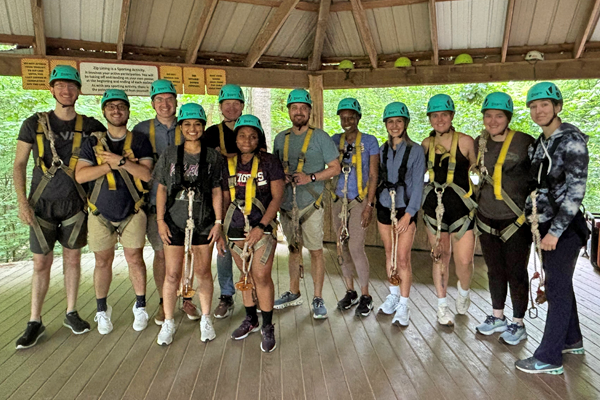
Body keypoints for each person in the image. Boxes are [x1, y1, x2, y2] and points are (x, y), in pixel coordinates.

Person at [13, 65, 105, 349]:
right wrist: (22, 202)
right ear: (51, 89)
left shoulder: (91, 126)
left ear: (79, 90)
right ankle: (34, 320)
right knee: (41, 263)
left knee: (73, 259)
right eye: (61, 86)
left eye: (72, 86)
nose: (66, 91)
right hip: (41, 205)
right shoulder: (34, 124)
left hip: (75, 204)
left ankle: (71, 312)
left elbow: (107, 153)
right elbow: (19, 164)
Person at [515, 82, 589, 375]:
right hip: (545, 224)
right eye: (533, 106)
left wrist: (555, 232)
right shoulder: (541, 142)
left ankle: (549, 357)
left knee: (556, 290)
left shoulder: (571, 141)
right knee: (561, 285)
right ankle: (572, 339)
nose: (538, 110)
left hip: (564, 229)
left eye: (544, 105)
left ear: (557, 106)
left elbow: (575, 191)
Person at [75, 89, 153, 335]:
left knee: (135, 259)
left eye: (121, 106)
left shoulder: (139, 141)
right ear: (104, 111)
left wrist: (120, 162)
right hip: (99, 211)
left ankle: (140, 306)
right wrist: (108, 164)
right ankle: (101, 310)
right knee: (102, 261)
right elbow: (80, 175)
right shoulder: (91, 144)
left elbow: (147, 175)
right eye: (111, 107)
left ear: (128, 111)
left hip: (133, 209)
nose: (116, 110)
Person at [154, 103, 225, 345]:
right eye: (187, 124)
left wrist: (218, 222)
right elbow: (162, 188)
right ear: (181, 127)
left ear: (203, 127)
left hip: (203, 220)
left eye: (197, 124)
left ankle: (206, 317)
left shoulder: (213, 157)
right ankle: (168, 321)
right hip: (174, 219)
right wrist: (160, 220)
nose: (192, 129)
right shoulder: (170, 155)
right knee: (172, 273)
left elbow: (217, 190)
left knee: (204, 271)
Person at [132, 79, 202, 324]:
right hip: (155, 203)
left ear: (176, 101)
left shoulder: (190, 126)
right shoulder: (140, 131)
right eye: (159, 100)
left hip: (190, 204)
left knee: (189, 254)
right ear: (152, 103)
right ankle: (165, 301)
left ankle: (187, 299)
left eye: (169, 99)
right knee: (162, 254)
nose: (164, 104)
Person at [272, 89, 341, 319]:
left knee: (315, 251)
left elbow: (334, 167)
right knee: (293, 249)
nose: (299, 112)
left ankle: (318, 297)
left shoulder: (321, 137)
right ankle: (294, 291)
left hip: (311, 202)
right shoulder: (280, 139)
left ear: (309, 111)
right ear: (289, 111)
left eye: (303, 108)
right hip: (287, 204)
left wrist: (310, 177)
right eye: (295, 108)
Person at [473, 92, 534, 345]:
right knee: (495, 270)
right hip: (487, 217)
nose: (493, 120)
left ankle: (518, 323)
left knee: (516, 272)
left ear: (508, 118)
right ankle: (497, 316)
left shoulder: (524, 142)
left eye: (499, 116)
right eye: (488, 116)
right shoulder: (480, 143)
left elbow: (537, 178)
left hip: (515, 220)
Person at [204, 84, 266, 319]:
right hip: (223, 195)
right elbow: (208, 163)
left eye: (236, 103)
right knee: (223, 248)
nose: (231, 107)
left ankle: (254, 290)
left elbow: (260, 156)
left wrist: (226, 155)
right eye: (227, 104)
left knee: (252, 247)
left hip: (252, 198)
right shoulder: (211, 133)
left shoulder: (253, 127)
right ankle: (227, 295)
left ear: (242, 106)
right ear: (220, 107)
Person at [223, 114, 284, 352]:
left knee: (261, 277)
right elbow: (224, 197)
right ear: (235, 139)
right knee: (244, 276)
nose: (247, 140)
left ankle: (268, 325)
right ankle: (251, 318)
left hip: (262, 228)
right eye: (242, 135)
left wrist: (262, 227)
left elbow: (277, 196)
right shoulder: (227, 164)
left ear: (259, 139)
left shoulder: (269, 162)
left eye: (252, 136)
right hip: (235, 229)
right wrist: (221, 229)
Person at [421, 94, 477, 326]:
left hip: (462, 210)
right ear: (430, 119)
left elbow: (480, 169)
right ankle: (442, 306)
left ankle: (463, 292)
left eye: (444, 114)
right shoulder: (426, 144)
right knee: (440, 258)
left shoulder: (465, 142)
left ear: (452, 116)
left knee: (463, 260)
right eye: (435, 115)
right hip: (434, 209)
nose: (440, 119)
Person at [376, 102, 425, 327]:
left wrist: (410, 214)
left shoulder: (415, 151)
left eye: (398, 121)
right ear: (386, 124)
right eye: (390, 122)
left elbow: (417, 185)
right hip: (385, 206)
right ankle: (393, 294)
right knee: (389, 252)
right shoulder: (382, 150)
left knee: (403, 257)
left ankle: (404, 303)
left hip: (405, 208)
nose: (394, 125)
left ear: (405, 124)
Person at [330, 98, 379, 317]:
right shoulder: (333, 141)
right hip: (338, 199)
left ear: (358, 118)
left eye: (351, 117)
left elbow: (374, 174)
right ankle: (350, 291)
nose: (347, 121)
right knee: (341, 246)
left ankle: (366, 294)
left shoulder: (369, 141)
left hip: (359, 200)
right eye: (343, 117)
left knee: (356, 247)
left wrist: (369, 204)